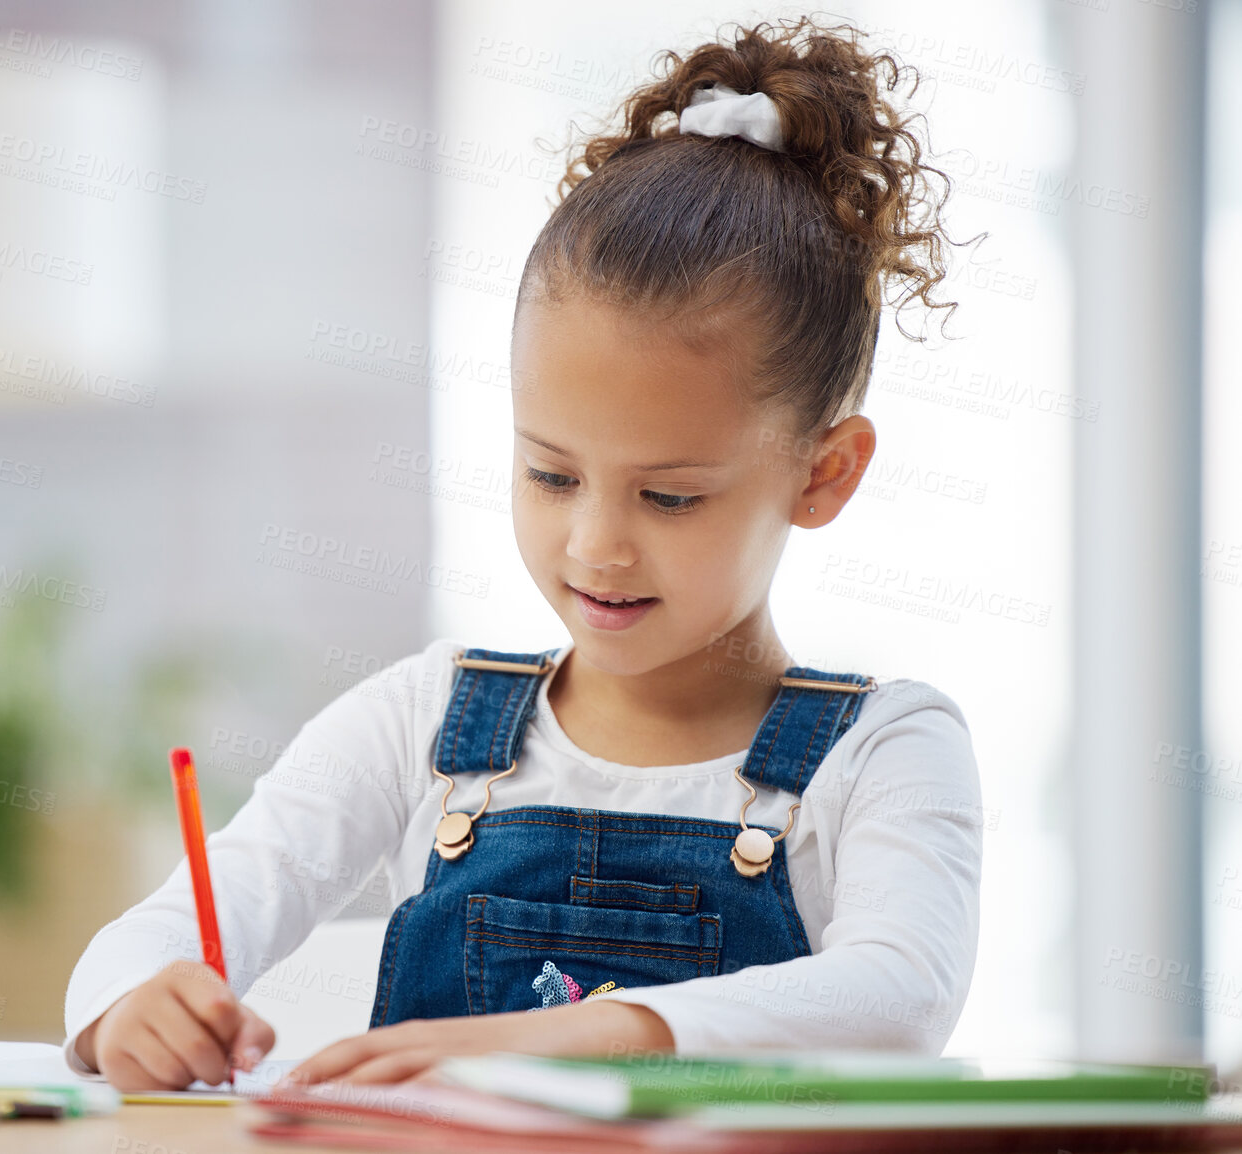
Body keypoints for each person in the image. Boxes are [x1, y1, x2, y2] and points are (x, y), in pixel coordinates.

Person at [64, 16, 982, 1091]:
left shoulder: (883, 751)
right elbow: (155, 932)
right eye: (551, 474)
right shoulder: (424, 722)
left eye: (670, 494)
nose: (595, 543)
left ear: (824, 473)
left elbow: (899, 992)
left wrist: (568, 1033)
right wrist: (135, 1000)